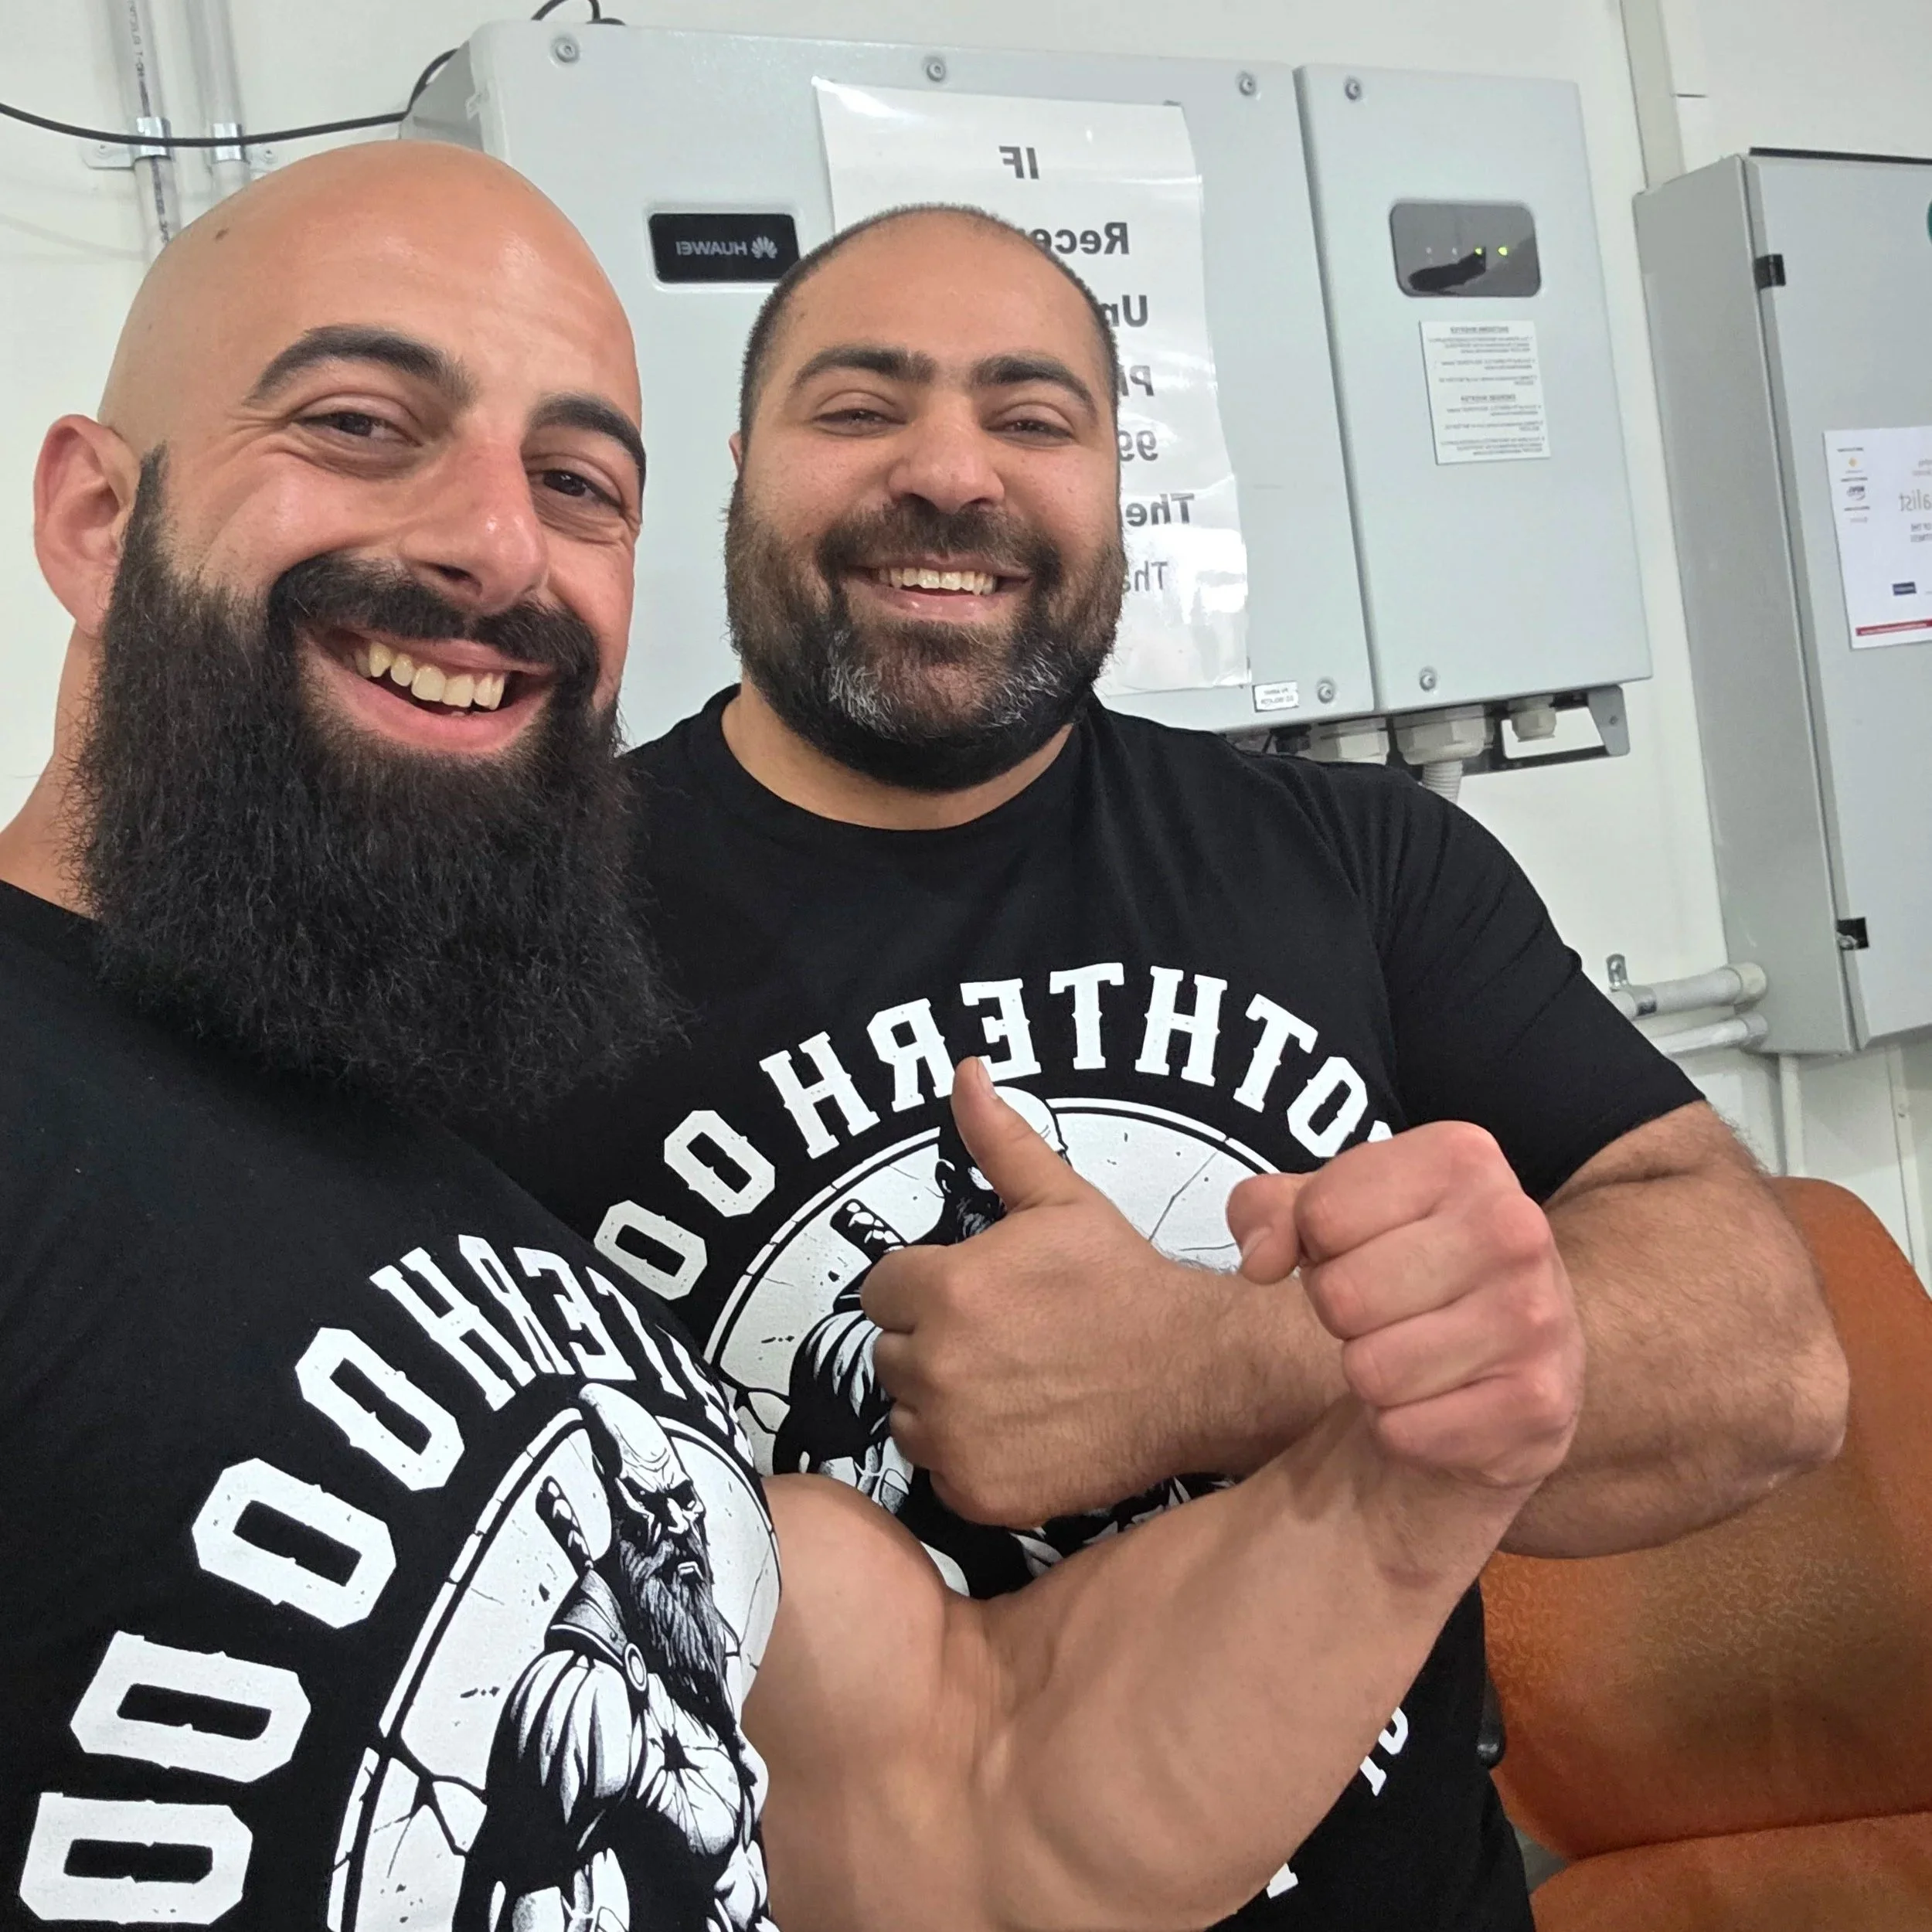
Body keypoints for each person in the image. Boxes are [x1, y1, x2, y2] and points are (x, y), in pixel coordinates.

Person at [0, 142, 1590, 1932]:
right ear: (93, 518)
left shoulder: (530, 1255)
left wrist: (1405, 1462)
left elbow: (974, 1801)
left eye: (577, 480)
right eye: (362, 422)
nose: (493, 543)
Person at [463, 202, 1852, 1927]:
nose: (950, 472)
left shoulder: (1357, 863)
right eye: (859, 406)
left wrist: (1208, 1363)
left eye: (1031, 416)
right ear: (742, 465)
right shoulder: (502, 928)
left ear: (1118, 476)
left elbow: (1763, 1366)